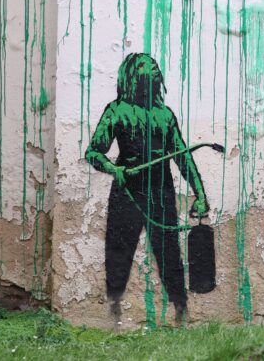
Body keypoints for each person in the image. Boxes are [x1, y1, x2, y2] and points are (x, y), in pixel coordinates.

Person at [85, 53, 209, 325]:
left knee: (169, 254)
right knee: (118, 253)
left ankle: (181, 311)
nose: (152, 69)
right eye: (144, 66)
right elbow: (93, 152)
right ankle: (113, 312)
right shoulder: (116, 110)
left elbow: (183, 157)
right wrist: (113, 169)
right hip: (127, 192)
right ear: (132, 75)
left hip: (160, 192)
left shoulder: (164, 115)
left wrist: (200, 194)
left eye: (154, 67)